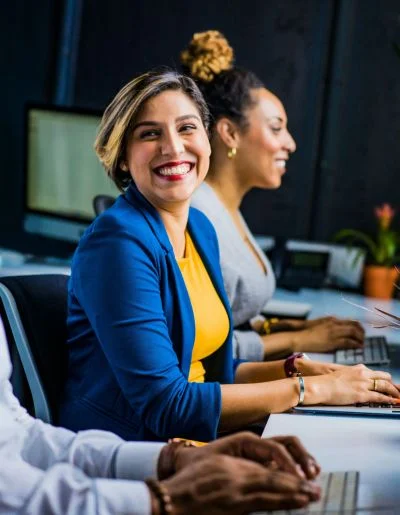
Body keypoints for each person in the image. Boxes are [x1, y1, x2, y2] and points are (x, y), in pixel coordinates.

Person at [59, 68, 400, 444]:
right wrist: (310, 390)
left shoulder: (200, 229)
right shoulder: (117, 243)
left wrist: (302, 370)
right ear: (122, 157)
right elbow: (166, 404)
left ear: (207, 138)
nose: (173, 147)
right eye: (150, 133)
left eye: (187, 128)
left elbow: (213, 373)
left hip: (198, 438)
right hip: (132, 451)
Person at [0, 316, 322, 514]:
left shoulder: (198, 230)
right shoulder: (117, 243)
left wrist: (171, 461)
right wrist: (164, 500)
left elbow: (19, 435)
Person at [185, 30, 366, 361]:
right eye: (276, 127)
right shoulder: (198, 217)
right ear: (229, 133)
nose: (290, 143)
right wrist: (298, 342)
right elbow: (203, 351)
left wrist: (289, 328)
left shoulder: (226, 209)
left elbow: (232, 320)